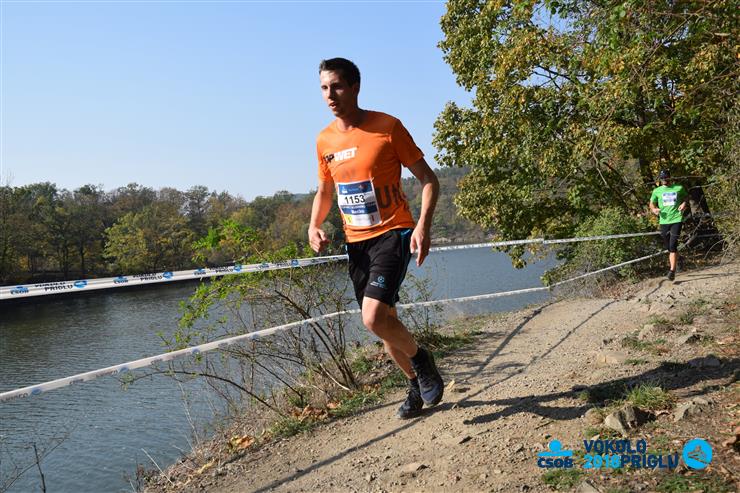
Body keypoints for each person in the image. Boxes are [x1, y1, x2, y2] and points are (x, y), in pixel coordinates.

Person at [308, 58, 443, 419]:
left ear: (355, 87)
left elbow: (429, 179)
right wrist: (313, 225)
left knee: (372, 317)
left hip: (393, 233)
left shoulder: (387, 127)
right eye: (324, 88)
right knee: (385, 326)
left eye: (337, 86)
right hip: (357, 244)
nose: (330, 95)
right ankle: (415, 385)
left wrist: (423, 225)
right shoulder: (324, 140)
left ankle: (422, 360)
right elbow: (325, 191)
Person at [649, 170, 688, 281]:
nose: (664, 180)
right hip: (664, 221)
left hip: (677, 219)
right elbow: (651, 204)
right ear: (660, 179)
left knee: (672, 245)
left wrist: (684, 203)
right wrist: (654, 209)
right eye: (662, 178)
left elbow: (686, 197)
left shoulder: (678, 188)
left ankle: (672, 271)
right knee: (669, 247)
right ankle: (679, 259)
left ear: (670, 177)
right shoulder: (657, 191)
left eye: (666, 177)